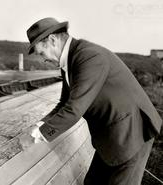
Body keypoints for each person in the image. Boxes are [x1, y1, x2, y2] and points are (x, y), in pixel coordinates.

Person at [20, 17, 162, 185]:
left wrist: (37, 136)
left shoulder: (88, 57)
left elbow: (74, 110)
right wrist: (37, 126)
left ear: (52, 40)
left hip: (132, 133)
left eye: (42, 53)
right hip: (112, 135)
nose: (44, 60)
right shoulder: (71, 60)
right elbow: (64, 103)